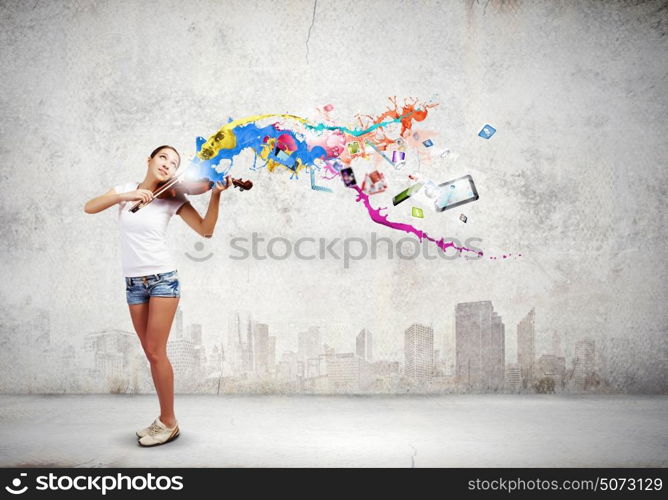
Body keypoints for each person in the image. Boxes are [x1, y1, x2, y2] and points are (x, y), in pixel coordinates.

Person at [83, 145, 231, 447]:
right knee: (150, 353)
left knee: (155, 350)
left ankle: (169, 422)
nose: (168, 164)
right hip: (134, 283)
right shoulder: (126, 191)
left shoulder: (173, 196)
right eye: (163, 157)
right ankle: (165, 420)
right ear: (149, 160)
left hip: (163, 280)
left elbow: (206, 229)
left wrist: (215, 194)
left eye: (174, 163)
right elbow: (90, 206)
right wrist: (127, 196)